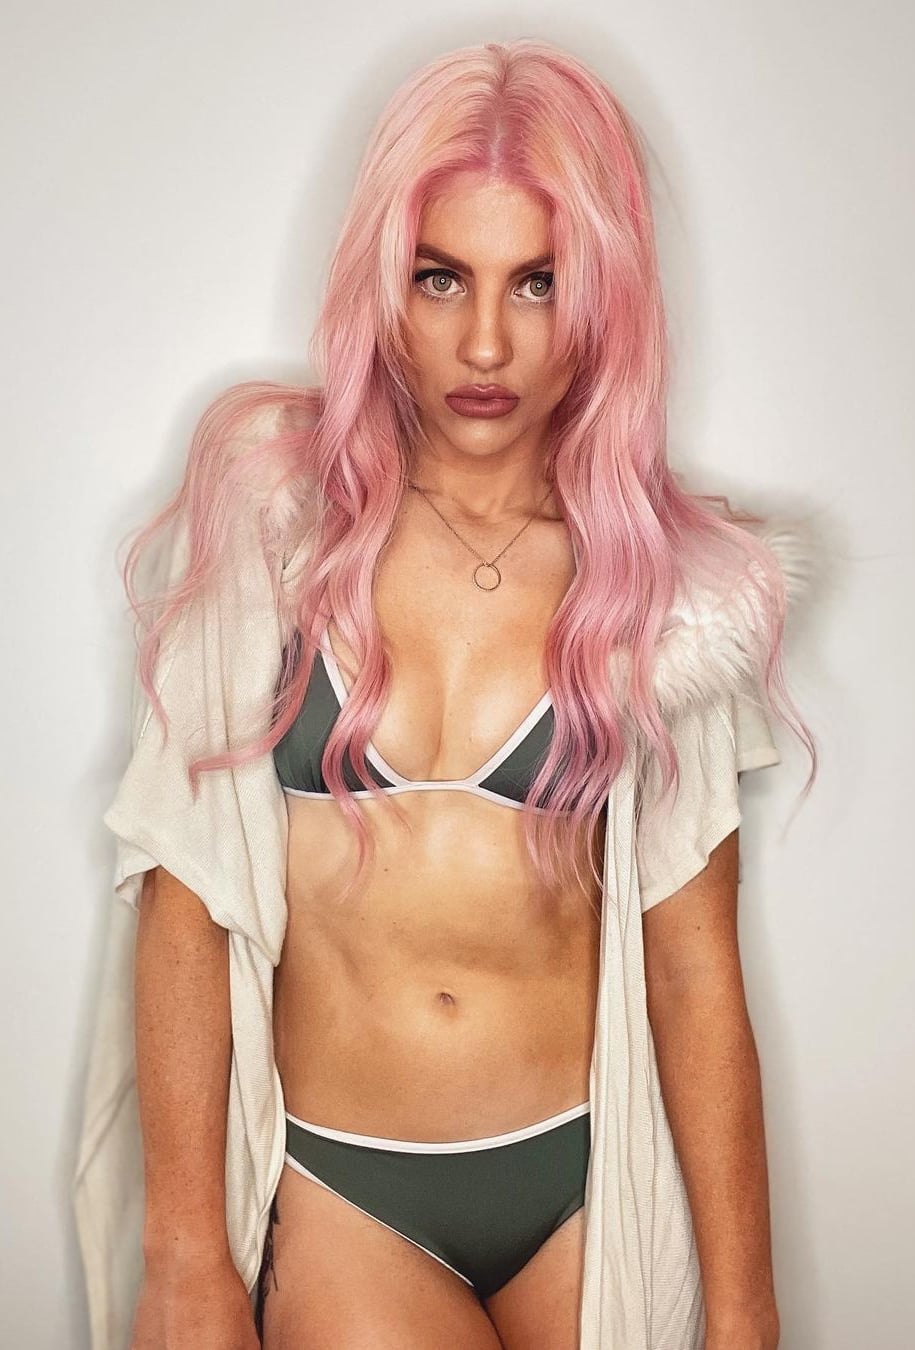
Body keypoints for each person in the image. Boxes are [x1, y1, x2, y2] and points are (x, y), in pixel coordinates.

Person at [73, 37, 817, 1350]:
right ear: (385, 286)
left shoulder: (662, 594)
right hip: (345, 1190)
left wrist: (745, 1311)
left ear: (601, 300)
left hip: (587, 1190)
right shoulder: (272, 526)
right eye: (441, 277)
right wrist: (184, 1254)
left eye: (538, 282)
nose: (485, 341)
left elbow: (697, 968)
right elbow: (185, 892)